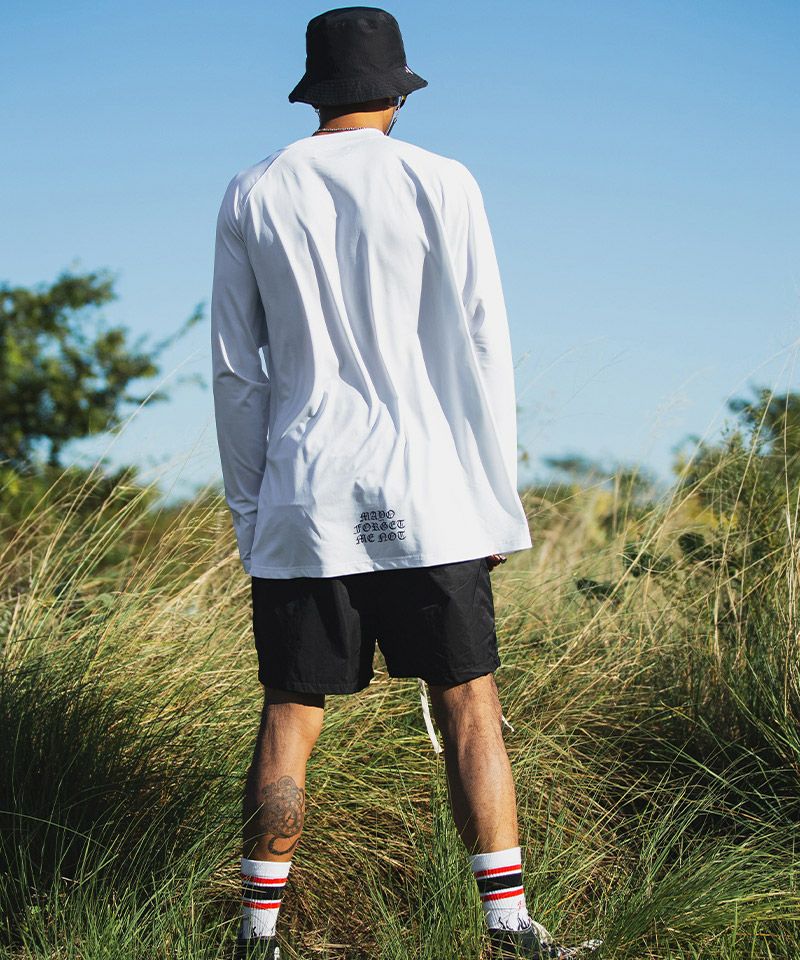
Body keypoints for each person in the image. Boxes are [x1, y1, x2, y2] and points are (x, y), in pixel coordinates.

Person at [211, 7, 602, 959]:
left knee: (290, 714)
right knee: (471, 704)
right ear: (396, 96)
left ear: (315, 95)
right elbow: (485, 346)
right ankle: (509, 929)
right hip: (434, 495)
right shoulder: (443, 179)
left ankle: (256, 938)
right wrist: (494, 502)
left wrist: (254, 512)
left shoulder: (254, 189)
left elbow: (235, 371)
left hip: (305, 497)